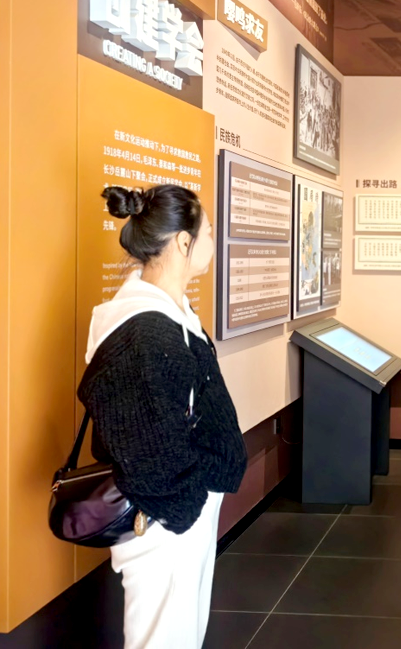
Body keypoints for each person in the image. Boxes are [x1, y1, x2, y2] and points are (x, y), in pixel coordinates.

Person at [78, 185, 248, 649]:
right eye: (208, 232)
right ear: (183, 242)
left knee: (182, 635)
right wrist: (185, 509)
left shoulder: (171, 313)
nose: (213, 241)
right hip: (164, 520)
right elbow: (146, 447)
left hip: (181, 514)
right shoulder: (141, 330)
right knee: (162, 639)